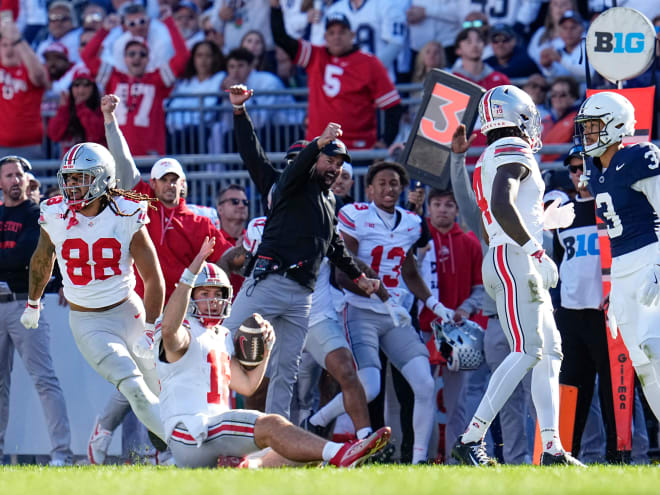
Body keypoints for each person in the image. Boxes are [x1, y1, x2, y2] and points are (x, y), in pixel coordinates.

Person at [85, 95, 234, 464]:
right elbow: (122, 161)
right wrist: (110, 120)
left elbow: (228, 259)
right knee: (144, 375)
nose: (171, 186)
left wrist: (256, 253)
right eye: (164, 180)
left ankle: (147, 446)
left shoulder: (200, 222)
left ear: (184, 185)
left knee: (158, 380)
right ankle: (132, 441)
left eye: (176, 180)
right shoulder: (141, 204)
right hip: (141, 308)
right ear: (152, 184)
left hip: (180, 317)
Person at [155, 238, 391, 468]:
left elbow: (247, 385)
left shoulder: (221, 336)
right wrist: (191, 272)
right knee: (273, 424)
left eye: (217, 295)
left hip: (216, 433)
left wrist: (266, 349)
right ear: (190, 297)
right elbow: (168, 328)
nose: (213, 301)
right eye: (204, 294)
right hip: (190, 431)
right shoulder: (185, 331)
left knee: (292, 454)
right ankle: (341, 452)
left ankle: (250, 466)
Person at [452, 84, 582, 466]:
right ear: (519, 116)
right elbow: (501, 203)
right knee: (528, 350)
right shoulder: (513, 148)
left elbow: (509, 206)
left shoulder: (492, 152)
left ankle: (553, 447)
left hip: (509, 255)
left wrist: (542, 221)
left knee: (549, 352)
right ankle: (471, 437)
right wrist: (535, 248)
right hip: (514, 258)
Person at [222, 122, 380, 420]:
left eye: (338, 164)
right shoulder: (288, 184)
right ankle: (202, 413)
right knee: (220, 341)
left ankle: (276, 442)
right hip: (270, 282)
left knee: (286, 372)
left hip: (302, 297)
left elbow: (333, 243)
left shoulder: (329, 199)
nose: (334, 168)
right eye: (327, 160)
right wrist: (239, 112)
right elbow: (252, 153)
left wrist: (360, 278)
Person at [19, 142, 168, 457]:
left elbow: (153, 277)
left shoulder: (126, 211)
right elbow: (42, 258)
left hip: (129, 311)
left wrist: (152, 327)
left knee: (159, 383)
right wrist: (33, 302)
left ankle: (162, 441)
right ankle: (186, 450)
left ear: (103, 178)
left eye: (81, 178)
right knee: (134, 388)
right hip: (88, 321)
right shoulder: (55, 212)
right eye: (69, 178)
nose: (72, 186)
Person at [334, 160, 454, 464]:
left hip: (396, 315)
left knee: (424, 384)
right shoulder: (354, 215)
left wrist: (436, 306)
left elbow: (410, 272)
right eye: (382, 184)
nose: (389, 189)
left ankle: (417, 461)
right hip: (361, 310)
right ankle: (321, 420)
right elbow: (343, 273)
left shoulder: (411, 222)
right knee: (371, 388)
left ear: (401, 189)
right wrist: (384, 298)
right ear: (370, 188)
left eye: (394, 184)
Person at [574, 91, 660, 430]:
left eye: (593, 126)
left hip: (650, 256)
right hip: (622, 269)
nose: (587, 134)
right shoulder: (595, 173)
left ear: (616, 125)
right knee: (642, 366)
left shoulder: (641, 157)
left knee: (654, 348)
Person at [0, 155, 73, 466]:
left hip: (25, 303)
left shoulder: (36, 213)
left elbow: (23, 258)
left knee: (44, 380)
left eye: (19, 174)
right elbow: (13, 258)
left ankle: (62, 454)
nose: (15, 180)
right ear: (0, 183)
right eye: (9, 176)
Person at [551, 145, 618, 463]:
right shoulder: (562, 213)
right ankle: (566, 454)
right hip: (571, 314)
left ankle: (618, 454)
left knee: (611, 388)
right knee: (570, 388)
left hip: (606, 312)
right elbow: (558, 260)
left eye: (584, 167)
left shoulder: (611, 206)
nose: (579, 174)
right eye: (574, 169)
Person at [271, 3, 403, 150]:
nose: (336, 37)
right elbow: (281, 38)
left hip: (356, 149)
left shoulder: (369, 63)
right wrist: (275, 8)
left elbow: (393, 107)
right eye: (332, 33)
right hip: (319, 148)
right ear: (325, 37)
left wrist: (385, 142)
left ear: (352, 35)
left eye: (341, 32)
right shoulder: (315, 56)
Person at [81, 10, 189, 155]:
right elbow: (87, 56)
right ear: (124, 58)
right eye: (131, 54)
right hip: (119, 156)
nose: (137, 58)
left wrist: (170, 23)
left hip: (150, 154)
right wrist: (104, 30)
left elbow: (183, 57)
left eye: (142, 54)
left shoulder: (157, 80)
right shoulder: (113, 78)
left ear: (148, 58)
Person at [166, 40, 225, 154]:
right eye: (199, 55)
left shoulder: (220, 79)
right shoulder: (184, 82)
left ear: (215, 58)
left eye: (208, 56)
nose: (203, 60)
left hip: (202, 130)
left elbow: (209, 110)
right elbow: (173, 108)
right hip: (176, 131)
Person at [0, 19, 48, 159]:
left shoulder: (30, 69)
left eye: (14, 45)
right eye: (4, 45)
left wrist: (19, 40)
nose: (9, 49)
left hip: (29, 145)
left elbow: (39, 77)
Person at [47, 67, 106, 157]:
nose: (81, 90)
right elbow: (54, 135)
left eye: (86, 85)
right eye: (77, 85)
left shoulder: (102, 109)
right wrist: (63, 109)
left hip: (95, 163)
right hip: (71, 165)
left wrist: (81, 108)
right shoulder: (65, 109)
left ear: (93, 88)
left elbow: (97, 133)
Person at [541, 75, 580, 162]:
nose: (557, 98)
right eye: (554, 94)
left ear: (573, 97)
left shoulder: (579, 120)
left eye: (562, 95)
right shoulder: (545, 119)